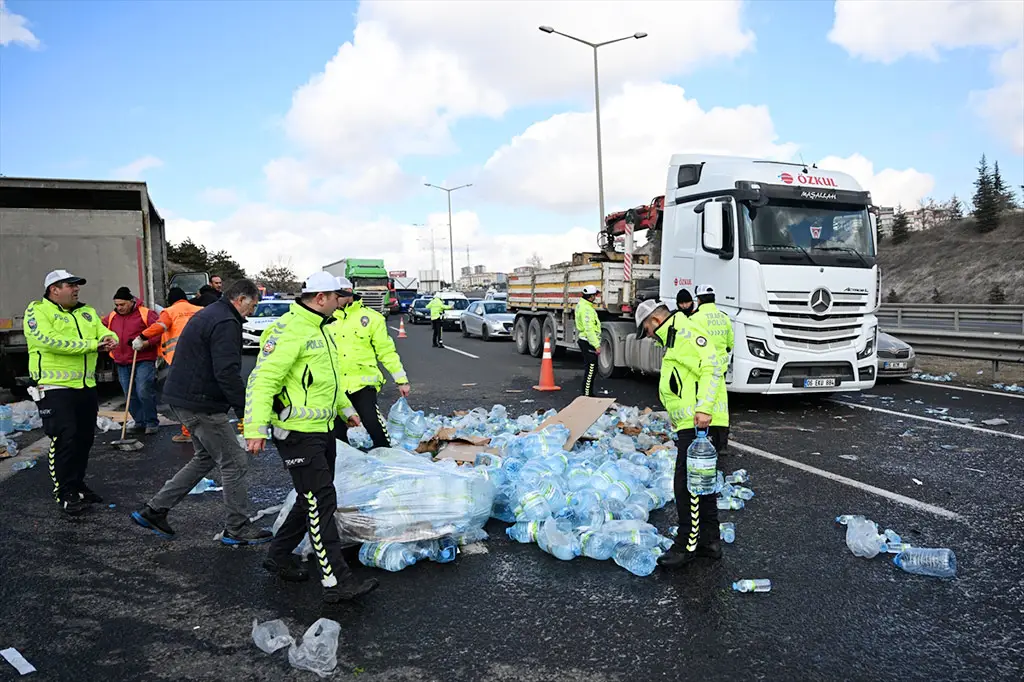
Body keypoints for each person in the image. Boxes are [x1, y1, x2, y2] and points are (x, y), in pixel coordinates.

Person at [244, 272, 378, 604]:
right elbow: (263, 380)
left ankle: (278, 554)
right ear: (320, 298)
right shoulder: (291, 330)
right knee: (321, 501)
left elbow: (326, 381)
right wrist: (255, 428)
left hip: (321, 430)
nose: (341, 302)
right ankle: (336, 581)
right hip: (296, 433)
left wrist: (346, 409)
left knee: (311, 499)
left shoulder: (321, 329)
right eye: (337, 297)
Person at [130, 279, 271, 545]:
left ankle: (154, 510)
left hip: (183, 398)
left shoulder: (210, 314)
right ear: (240, 299)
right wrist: (246, 413)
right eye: (252, 305)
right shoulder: (225, 322)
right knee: (234, 463)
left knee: (205, 458)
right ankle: (237, 529)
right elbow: (227, 372)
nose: (252, 312)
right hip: (201, 403)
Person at [634, 299, 726, 569]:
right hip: (694, 422)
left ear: (654, 322)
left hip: (699, 423)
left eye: (647, 331)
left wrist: (704, 409)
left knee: (687, 486)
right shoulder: (675, 336)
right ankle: (710, 542)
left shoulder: (684, 334)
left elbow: (711, 367)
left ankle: (686, 545)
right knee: (702, 485)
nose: (649, 337)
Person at [23, 269, 118, 515]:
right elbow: (48, 339)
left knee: (84, 439)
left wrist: (110, 338)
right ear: (54, 289)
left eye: (77, 286)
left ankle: (78, 484)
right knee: (65, 437)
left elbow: (102, 330)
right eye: (70, 285)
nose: (76, 290)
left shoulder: (86, 311)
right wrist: (92, 345)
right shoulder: (37, 310)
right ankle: (64, 492)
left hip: (85, 385)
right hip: (54, 387)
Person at [331, 276, 410, 449]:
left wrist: (401, 380)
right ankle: (344, 469)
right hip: (333, 385)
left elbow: (386, 351)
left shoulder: (371, 318)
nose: (334, 300)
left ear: (349, 293)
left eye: (337, 295)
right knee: (336, 434)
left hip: (362, 383)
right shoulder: (325, 319)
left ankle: (386, 458)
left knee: (373, 424)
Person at [136, 287, 202, 443]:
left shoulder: (170, 311)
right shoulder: (200, 310)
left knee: (181, 399)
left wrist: (141, 336)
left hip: (179, 361)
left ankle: (188, 433)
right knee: (199, 396)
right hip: (201, 359)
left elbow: (160, 326)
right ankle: (205, 431)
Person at [103, 287, 160, 436]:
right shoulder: (112, 316)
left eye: (122, 304)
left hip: (143, 359)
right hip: (121, 361)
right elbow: (100, 329)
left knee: (143, 390)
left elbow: (159, 332)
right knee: (130, 393)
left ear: (131, 301)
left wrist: (145, 344)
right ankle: (140, 422)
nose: (118, 308)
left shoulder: (146, 314)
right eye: (117, 305)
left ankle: (151, 422)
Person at [689, 284, 733, 453]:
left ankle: (703, 438)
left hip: (702, 369)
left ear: (698, 300)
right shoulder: (724, 317)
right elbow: (730, 343)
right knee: (721, 406)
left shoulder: (694, 319)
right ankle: (722, 444)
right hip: (719, 368)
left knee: (704, 404)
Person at [575, 285, 602, 396]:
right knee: (591, 369)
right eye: (595, 295)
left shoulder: (583, 305)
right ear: (591, 296)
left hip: (586, 340)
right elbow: (589, 329)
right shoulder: (587, 309)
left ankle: (588, 393)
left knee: (590, 368)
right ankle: (587, 394)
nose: (595, 297)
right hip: (588, 341)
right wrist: (596, 345)